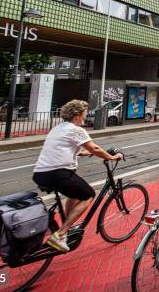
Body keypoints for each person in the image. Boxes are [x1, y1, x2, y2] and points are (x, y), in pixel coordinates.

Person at [33, 100, 122, 252]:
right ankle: (60, 234)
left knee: (74, 194)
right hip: (58, 173)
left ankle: (66, 227)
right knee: (88, 195)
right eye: (84, 114)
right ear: (77, 115)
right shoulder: (75, 129)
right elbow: (94, 147)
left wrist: (79, 152)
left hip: (40, 173)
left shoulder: (57, 128)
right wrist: (111, 157)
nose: (84, 117)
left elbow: (60, 147)